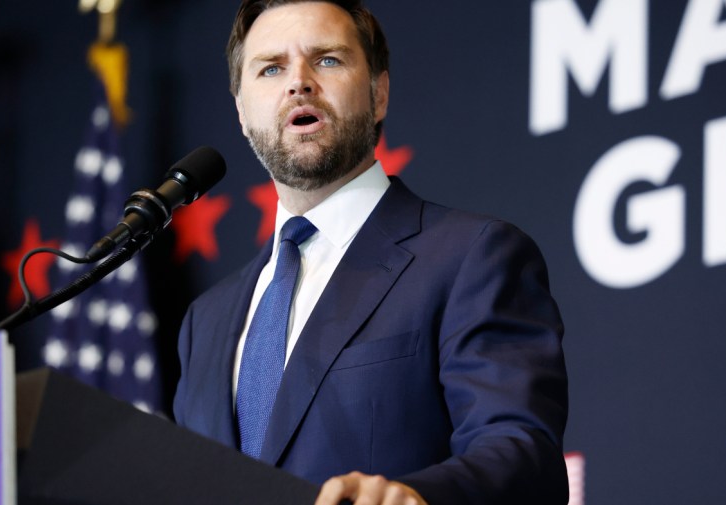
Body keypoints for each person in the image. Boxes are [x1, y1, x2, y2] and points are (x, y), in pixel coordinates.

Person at [173, 1, 569, 503]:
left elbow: (521, 454)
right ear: (242, 114)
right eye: (271, 68)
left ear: (378, 94)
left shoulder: (471, 257)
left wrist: (415, 498)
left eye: (328, 60)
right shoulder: (203, 322)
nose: (299, 82)